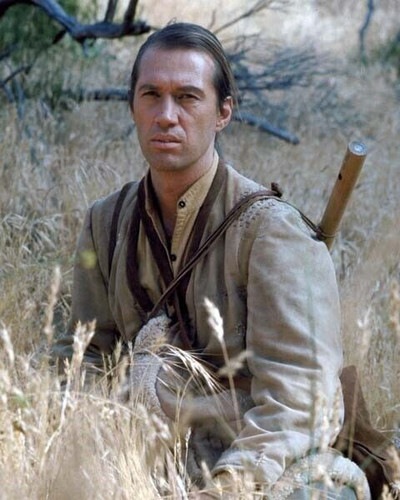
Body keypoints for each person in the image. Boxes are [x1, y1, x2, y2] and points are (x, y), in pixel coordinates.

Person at [52, 22, 370, 499]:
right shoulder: (106, 221)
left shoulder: (272, 232)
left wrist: (229, 487)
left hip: (257, 464)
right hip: (142, 462)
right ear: (133, 106)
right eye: (151, 95)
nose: (166, 116)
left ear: (223, 113)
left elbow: (301, 401)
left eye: (187, 98)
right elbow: (83, 358)